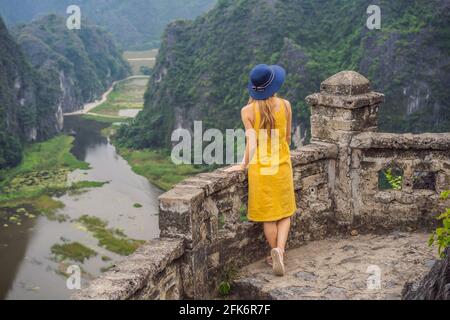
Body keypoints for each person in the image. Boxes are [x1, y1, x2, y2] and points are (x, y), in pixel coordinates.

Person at [226, 64, 297, 276]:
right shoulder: (285, 105)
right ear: (273, 84)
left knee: (269, 216)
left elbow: (252, 143)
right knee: (285, 212)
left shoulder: (247, 111)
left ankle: (273, 251)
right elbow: (286, 138)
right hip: (282, 165)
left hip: (260, 169)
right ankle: (280, 251)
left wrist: (243, 164)